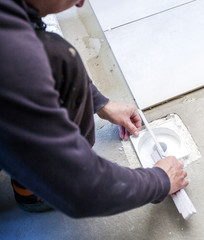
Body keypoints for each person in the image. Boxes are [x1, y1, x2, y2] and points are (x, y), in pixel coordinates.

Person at [0, 0, 189, 217]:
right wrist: (160, 180)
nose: (81, 3)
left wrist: (101, 103)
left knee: (59, 55)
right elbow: (83, 188)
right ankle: (34, 190)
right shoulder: (10, 57)